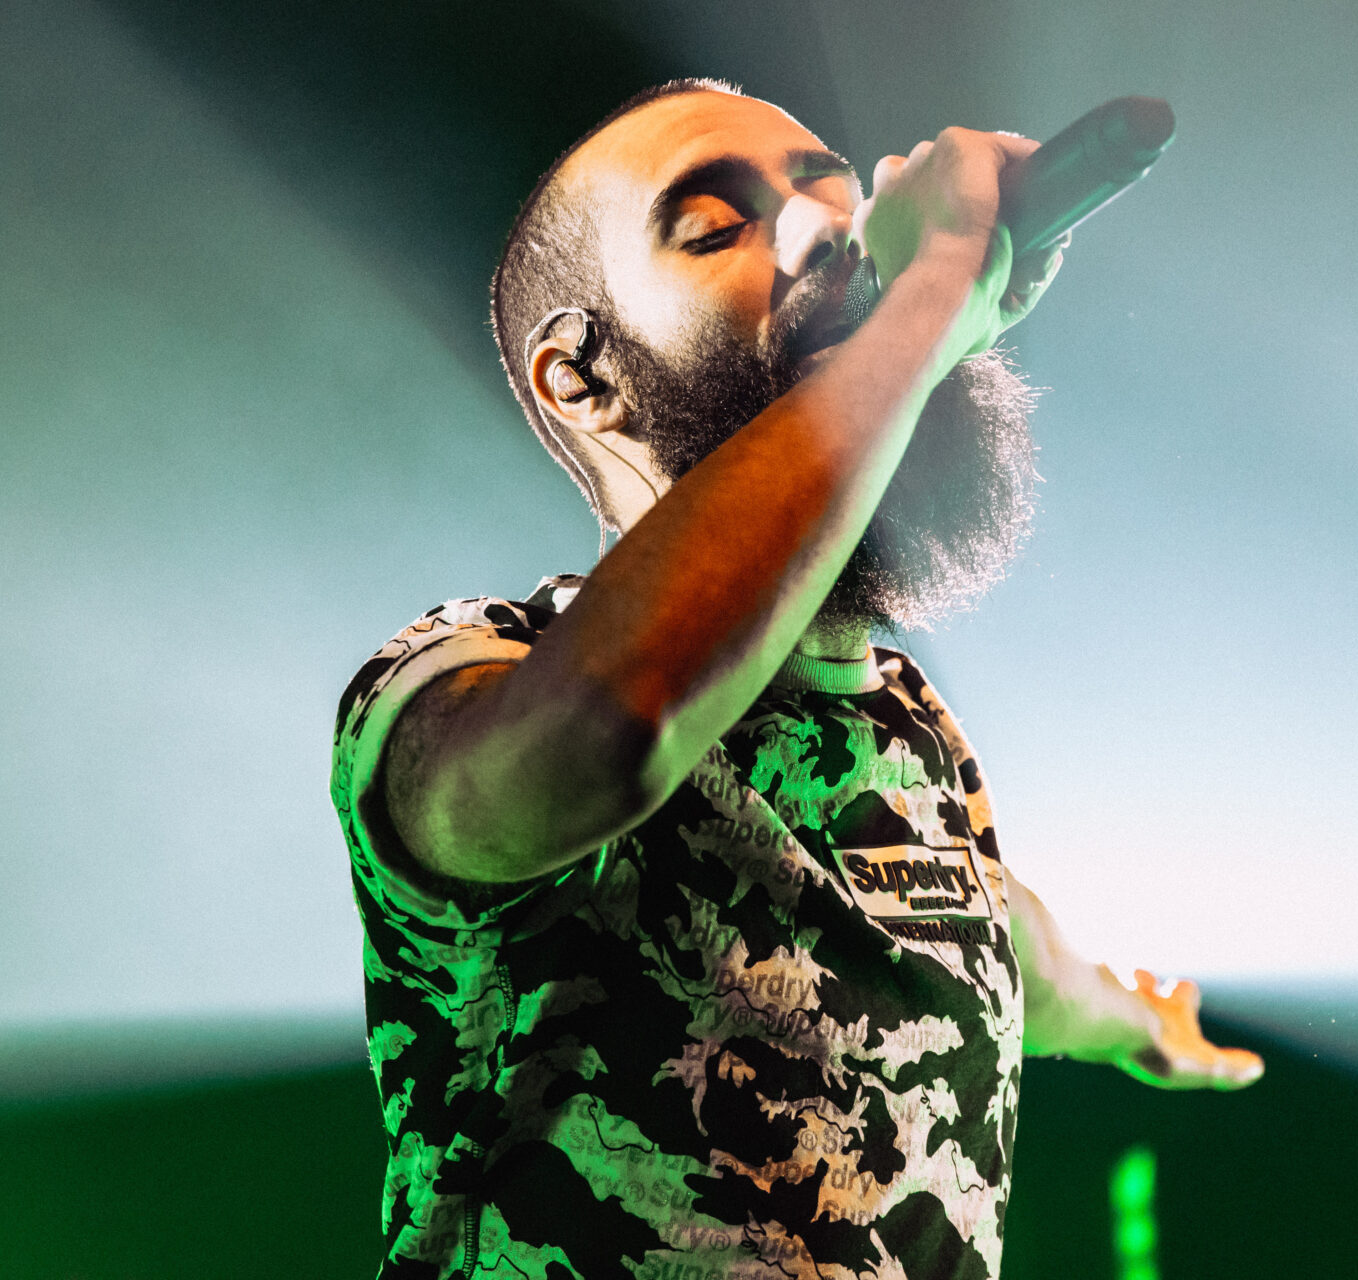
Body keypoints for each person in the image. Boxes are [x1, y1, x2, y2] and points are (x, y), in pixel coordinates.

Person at [331, 78, 1262, 1280]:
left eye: (836, 194)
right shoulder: (467, 669)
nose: (827, 231)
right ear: (582, 380)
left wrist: (1138, 1020)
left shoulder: (914, 733)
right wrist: (933, 294)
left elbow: (1016, 951)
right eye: (718, 227)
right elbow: (604, 729)